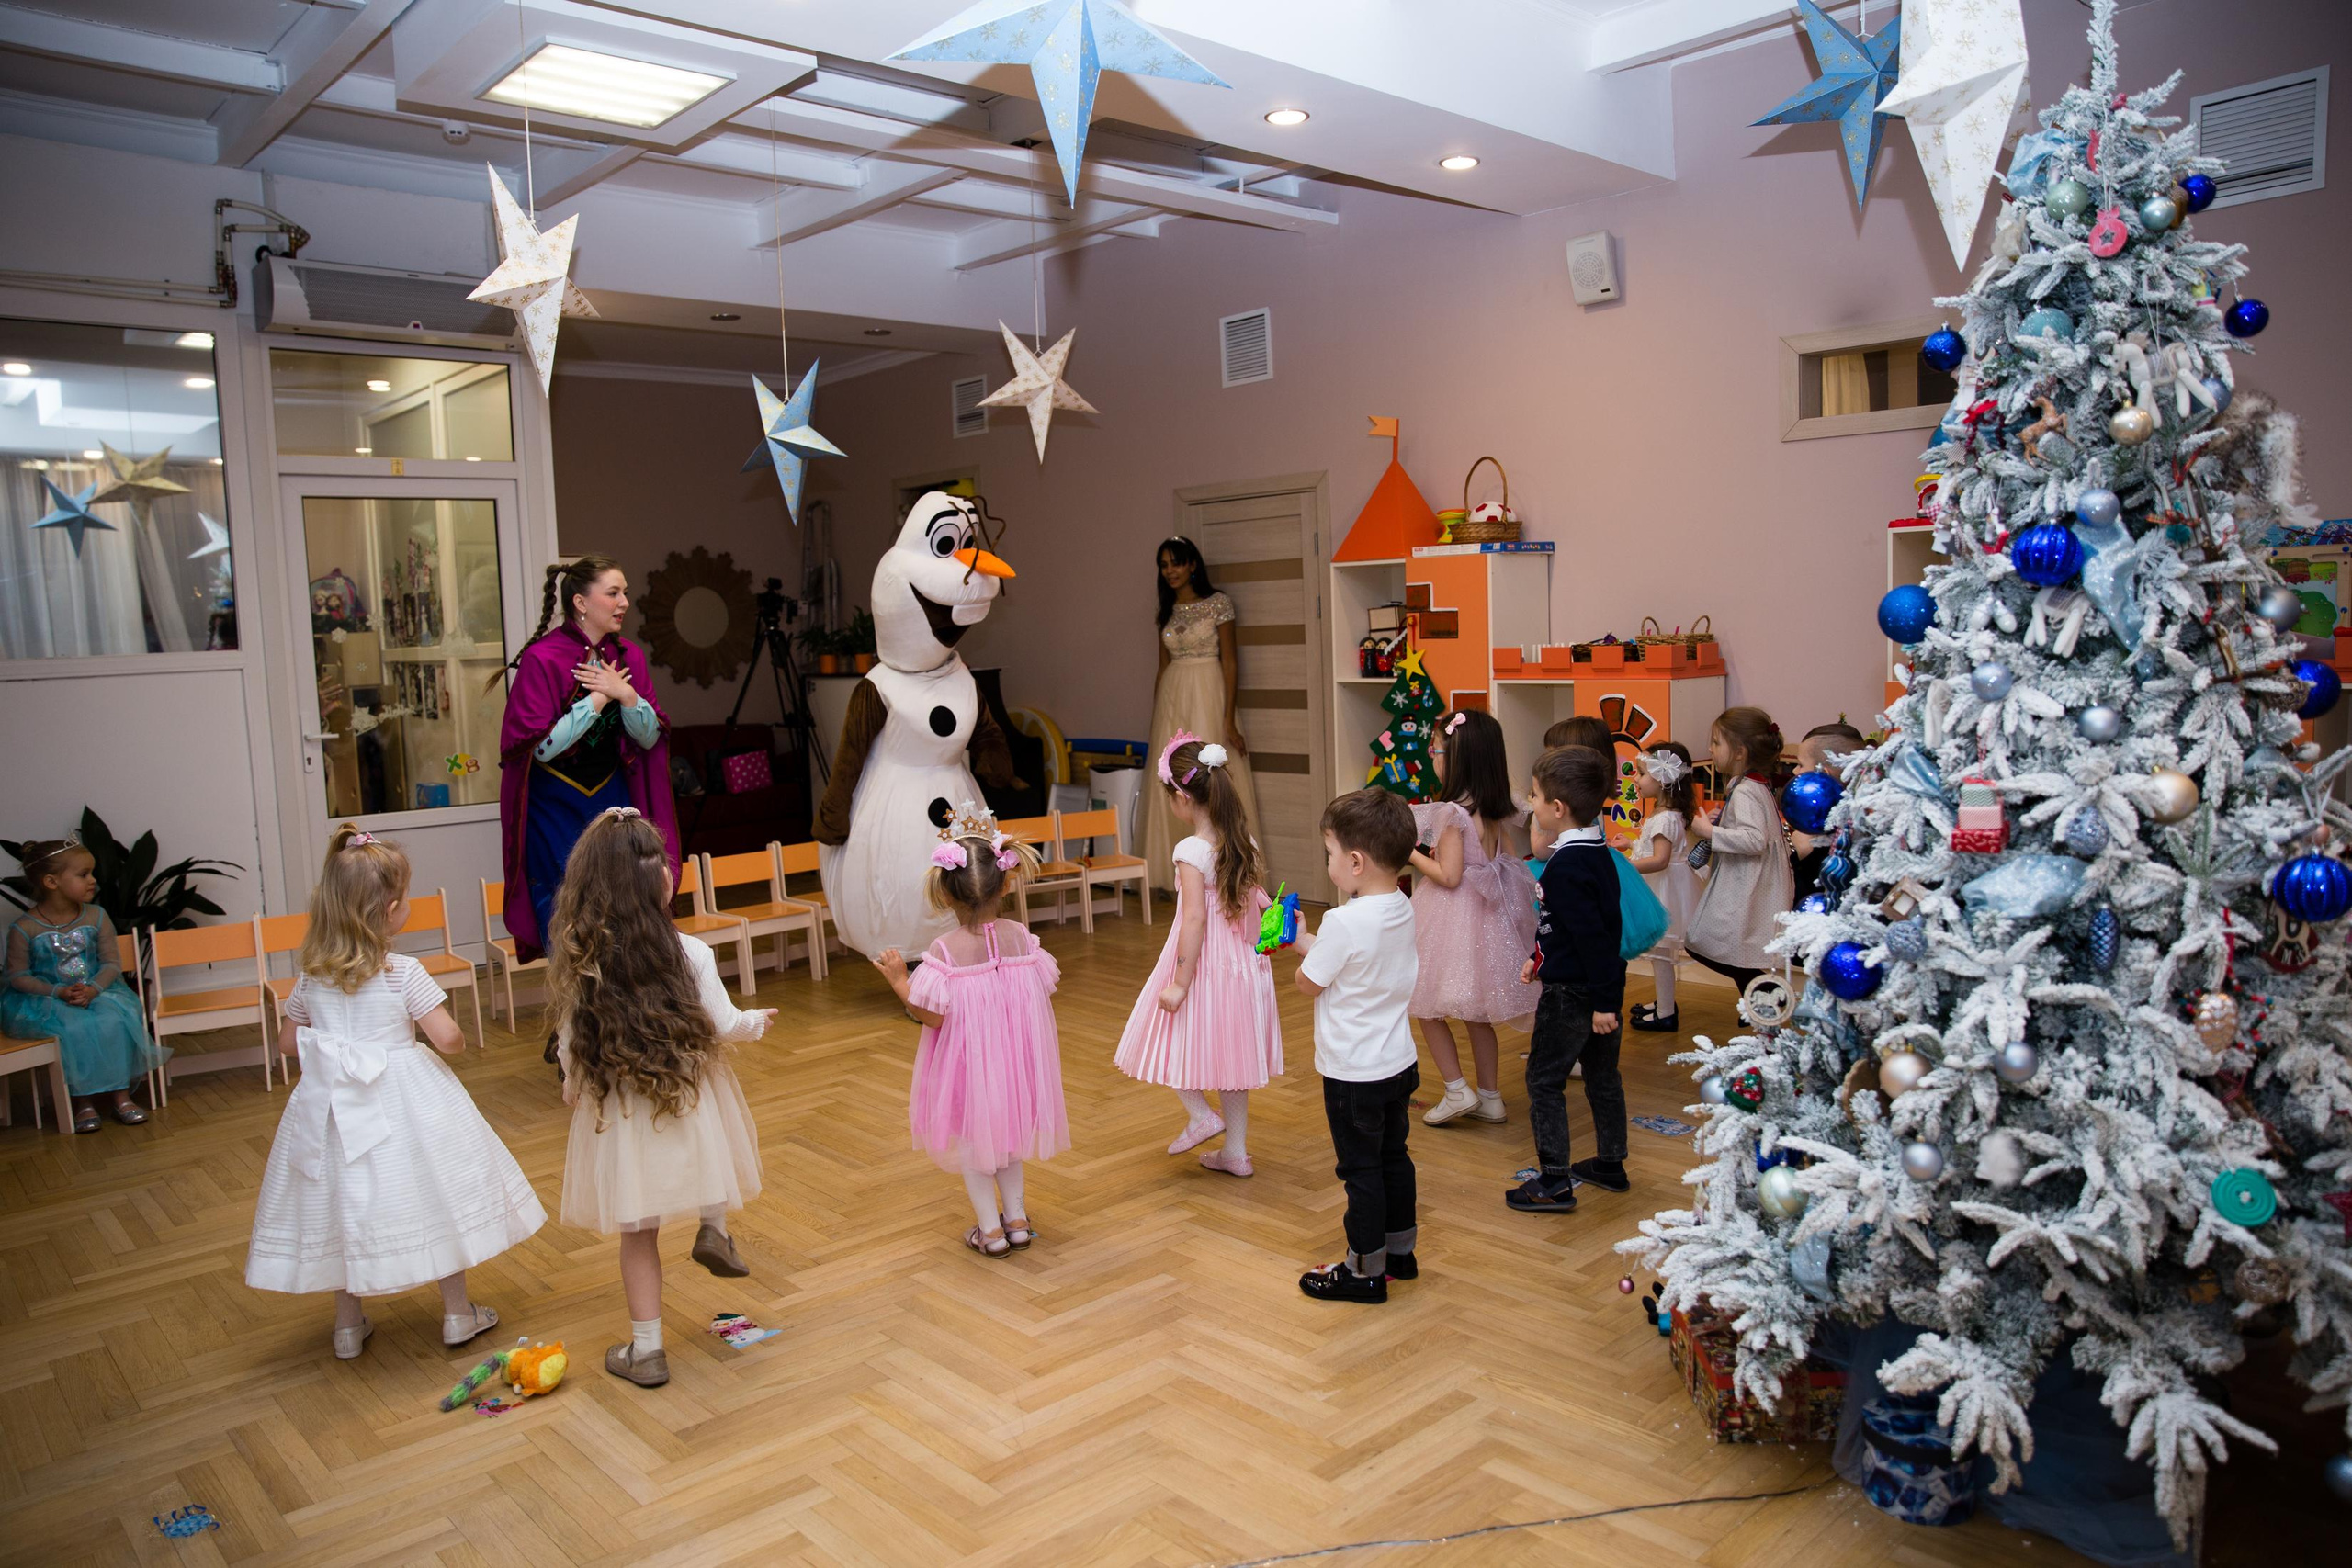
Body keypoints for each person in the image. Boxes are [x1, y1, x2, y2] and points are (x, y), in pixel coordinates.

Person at [245, 827, 544, 1359]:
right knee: (435, 1191)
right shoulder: (402, 972)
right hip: (405, 1098)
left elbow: (289, 1044)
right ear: (389, 909)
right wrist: (451, 1039)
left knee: (341, 1200)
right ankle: (456, 1313)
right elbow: (448, 1038)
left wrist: (333, 1045)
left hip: (333, 1105)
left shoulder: (312, 977)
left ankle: (346, 1325)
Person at [550, 809, 773, 1390]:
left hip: (623, 1107)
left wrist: (574, 1083)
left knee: (638, 1233)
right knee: (712, 1150)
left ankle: (647, 1350)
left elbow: (571, 1040)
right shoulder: (690, 952)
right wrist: (755, 1023)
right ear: (660, 882)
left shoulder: (585, 958)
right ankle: (712, 1227)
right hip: (687, 1092)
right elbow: (721, 1024)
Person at [872, 811, 1068, 1259]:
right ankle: (1016, 1222)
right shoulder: (1022, 938)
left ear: (945, 893)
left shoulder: (945, 951)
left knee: (977, 1143)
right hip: (1015, 1064)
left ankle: (990, 1232)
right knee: (1007, 1139)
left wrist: (900, 981)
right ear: (1006, 883)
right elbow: (1039, 993)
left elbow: (931, 1016)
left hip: (968, 1067)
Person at [495, 555, 677, 975]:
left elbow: (648, 738)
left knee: (622, 897)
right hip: (553, 805)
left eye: (625, 592)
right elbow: (539, 749)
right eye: (613, 592)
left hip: (612, 799)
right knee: (566, 904)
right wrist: (597, 698)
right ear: (580, 602)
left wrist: (626, 695)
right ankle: (576, 1010)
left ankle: (624, 1001)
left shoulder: (629, 655)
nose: (624, 601)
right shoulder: (543, 658)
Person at [1113, 733, 1282, 1176]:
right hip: (1241, 964)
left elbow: (1194, 920)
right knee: (1232, 1053)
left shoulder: (1190, 850)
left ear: (1184, 798)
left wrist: (1180, 982)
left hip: (1203, 963)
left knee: (1164, 1026)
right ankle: (1236, 1152)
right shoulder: (1243, 839)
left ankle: (1202, 1116)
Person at [1294, 788, 1420, 1303]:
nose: (1328, 864)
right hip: (1397, 1063)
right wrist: (1306, 938)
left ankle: (1363, 1271)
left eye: (1329, 855)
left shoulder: (1343, 921)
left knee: (1359, 1170)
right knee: (1395, 1157)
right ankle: (1399, 1254)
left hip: (1353, 1074)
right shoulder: (1401, 904)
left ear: (1354, 860)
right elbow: (1349, 963)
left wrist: (1298, 950)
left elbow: (1311, 982)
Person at [1507, 746, 1626, 1213]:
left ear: (1557, 809)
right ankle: (1611, 1164)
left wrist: (1600, 1003)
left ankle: (1554, 1179)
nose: (1531, 805)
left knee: (1542, 1080)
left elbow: (1594, 938)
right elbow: (1569, 926)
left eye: (1535, 797)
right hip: (1598, 987)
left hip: (1574, 994)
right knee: (1602, 1077)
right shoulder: (1597, 854)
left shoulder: (1566, 866)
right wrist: (1539, 956)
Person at [1408, 711, 1538, 1126]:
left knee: (1427, 1006)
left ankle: (1455, 1088)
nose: (1432, 756)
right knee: (1477, 1013)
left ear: (1456, 758)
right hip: (1488, 917)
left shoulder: (1451, 813)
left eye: (1435, 749)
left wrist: (1405, 851)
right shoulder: (1497, 809)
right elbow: (1508, 860)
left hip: (1452, 916)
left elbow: (1448, 876)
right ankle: (1490, 1096)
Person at [3, 838, 166, 1133]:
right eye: (83, 875)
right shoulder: (24, 928)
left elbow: (111, 964)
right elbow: (17, 976)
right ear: (51, 882)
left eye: (91, 873)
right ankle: (82, 1102)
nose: (93, 881)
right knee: (72, 1028)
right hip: (49, 999)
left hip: (100, 991)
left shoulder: (96, 917)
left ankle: (120, 1096)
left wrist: (93, 989)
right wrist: (58, 991)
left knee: (114, 1020)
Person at [1141, 537, 1261, 897]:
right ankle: (1176, 872)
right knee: (1172, 773)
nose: (1170, 571)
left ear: (1193, 565)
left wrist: (1228, 720)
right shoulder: (1165, 610)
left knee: (1206, 773)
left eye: (1176, 563)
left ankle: (1225, 868)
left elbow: (1231, 661)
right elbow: (1162, 667)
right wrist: (1156, 710)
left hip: (1208, 688)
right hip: (1173, 693)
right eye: (1164, 565)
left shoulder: (1218, 604)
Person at [1685, 707, 1794, 991]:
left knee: (1707, 943)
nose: (1710, 748)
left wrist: (1708, 831)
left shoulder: (1746, 790)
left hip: (1747, 882)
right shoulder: (1749, 785)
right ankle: (1760, 999)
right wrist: (1719, 824)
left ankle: (1766, 995)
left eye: (1717, 742)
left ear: (1739, 752)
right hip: (1747, 879)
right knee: (1714, 946)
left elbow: (1754, 839)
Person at [1623, 742, 1702, 1033]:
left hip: (1664, 890)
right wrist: (1630, 845)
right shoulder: (1666, 814)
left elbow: (1660, 860)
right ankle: (1662, 1003)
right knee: (1660, 954)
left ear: (1662, 779)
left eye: (1642, 773)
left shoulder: (1666, 817)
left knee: (1661, 953)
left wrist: (1624, 866)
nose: (1636, 779)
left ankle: (1666, 1012)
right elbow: (1654, 850)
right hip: (1664, 887)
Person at [1788, 721, 1866, 905]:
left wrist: (1802, 851)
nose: (1794, 770)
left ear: (1822, 774)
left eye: (1800, 764)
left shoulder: (1833, 836)